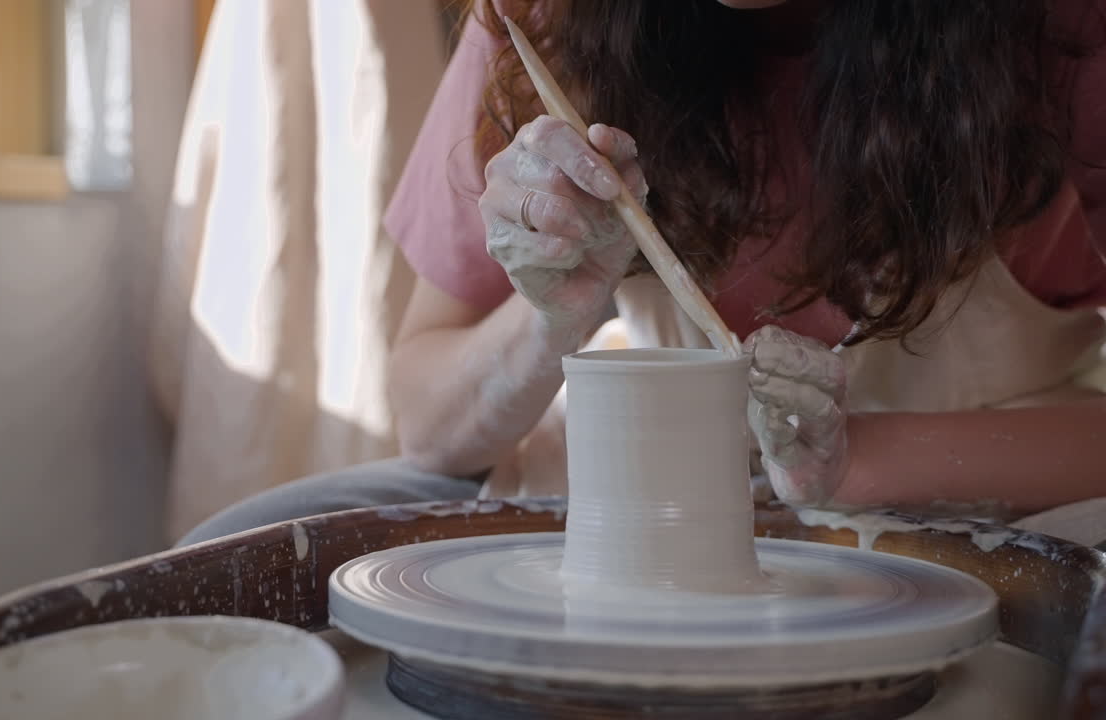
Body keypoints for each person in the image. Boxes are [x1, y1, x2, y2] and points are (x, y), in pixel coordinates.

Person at [177, 0, 1106, 546]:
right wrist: (548, 319)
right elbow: (430, 422)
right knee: (237, 555)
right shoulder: (553, 24)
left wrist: (859, 460)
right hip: (652, 500)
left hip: (990, 510)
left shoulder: (1066, 33)